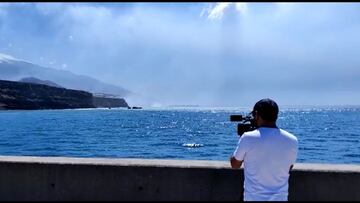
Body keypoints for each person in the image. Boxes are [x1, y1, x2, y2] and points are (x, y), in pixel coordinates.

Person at [230, 98, 298, 201]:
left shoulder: (248, 137)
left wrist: (240, 142)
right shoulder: (292, 140)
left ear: (256, 114)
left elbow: (235, 165)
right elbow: (289, 166)